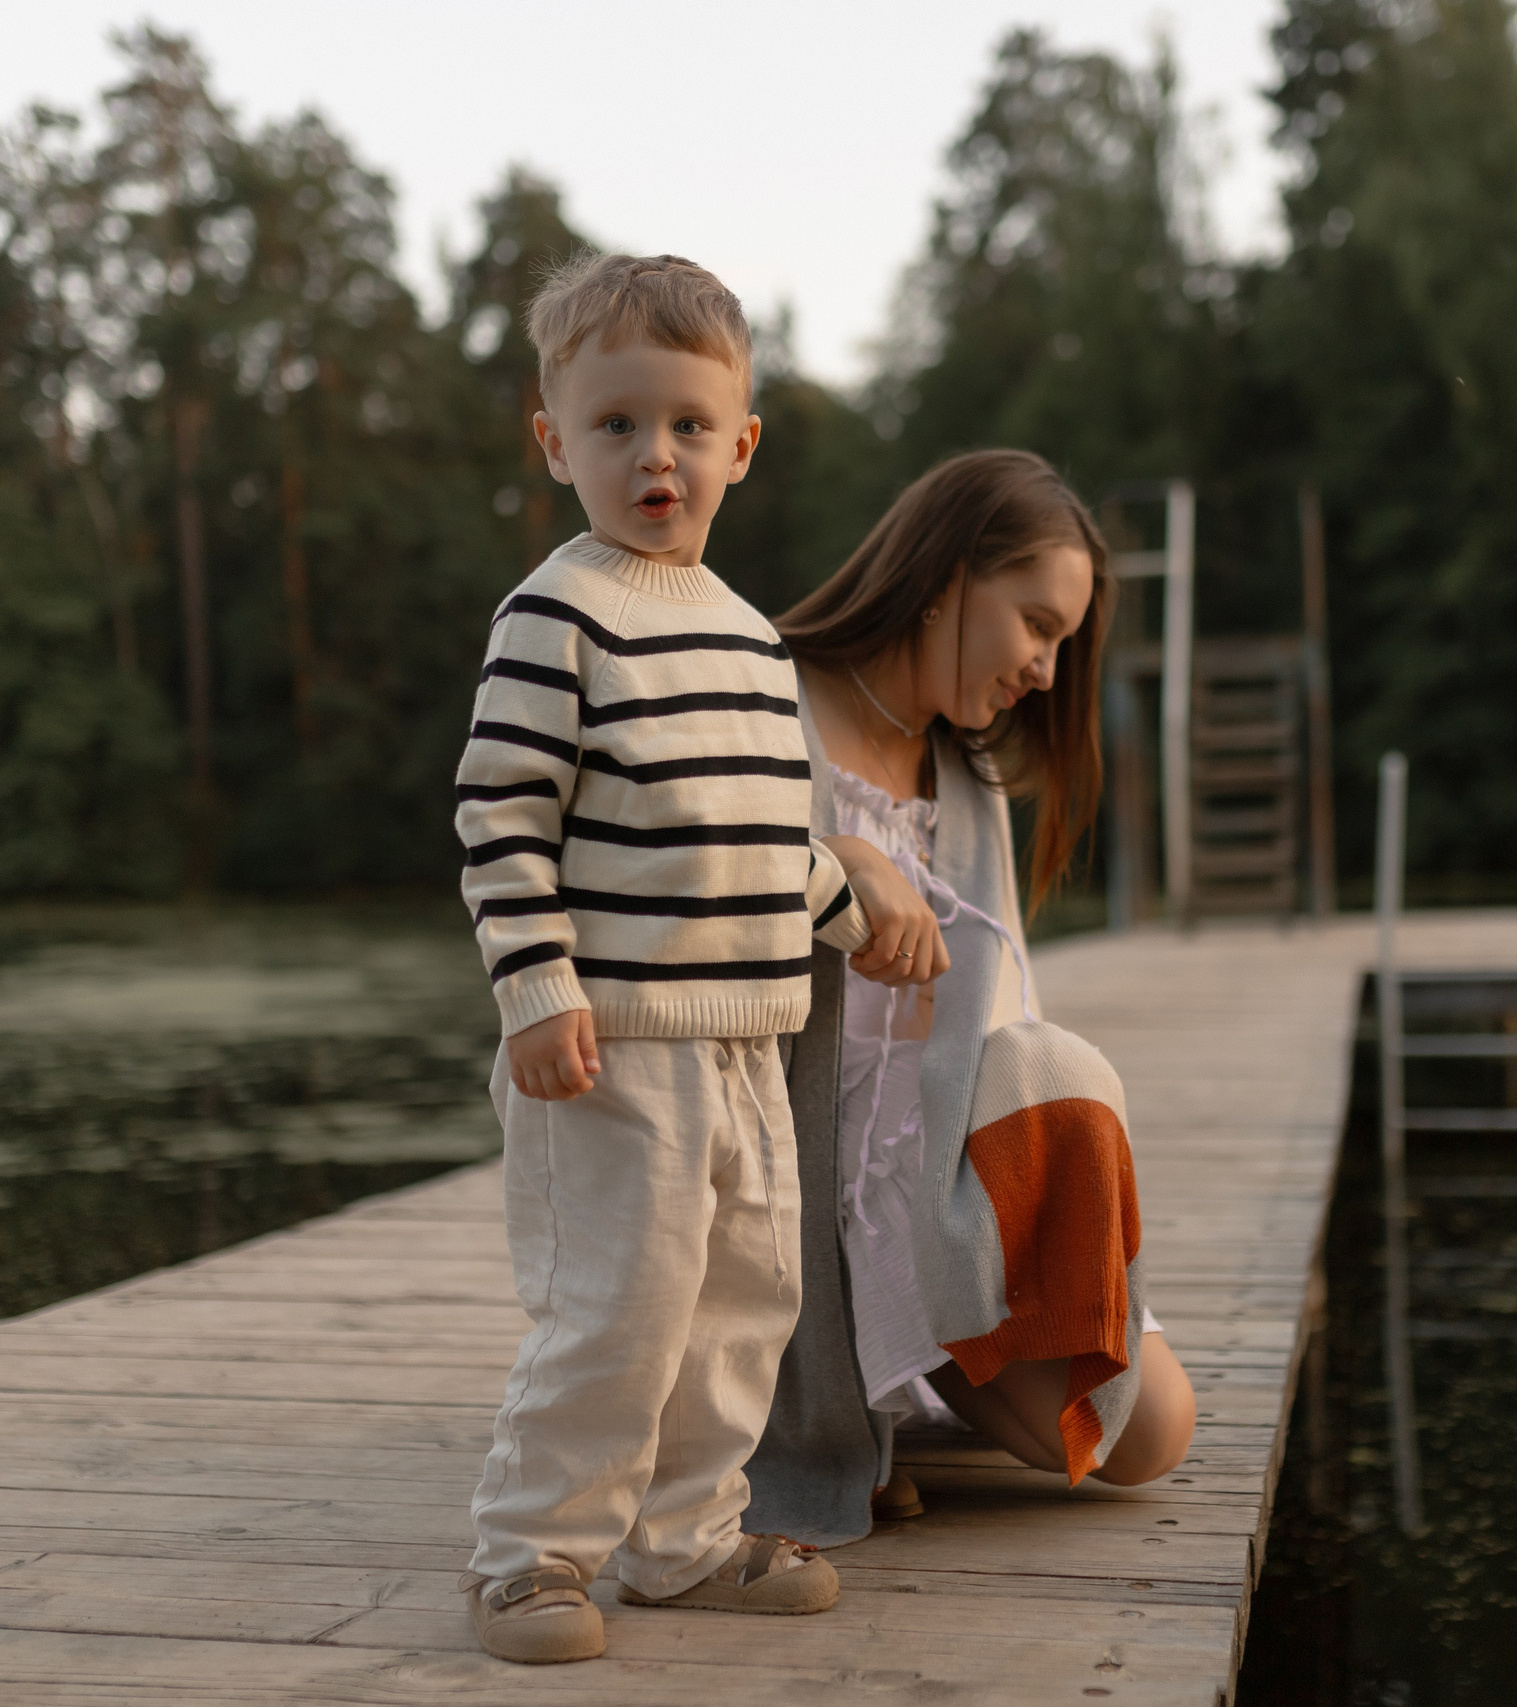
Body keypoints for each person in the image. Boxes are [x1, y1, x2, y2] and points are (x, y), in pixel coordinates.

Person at [450, 253, 928, 1664]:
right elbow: (502, 816)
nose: (653, 454)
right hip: (613, 1039)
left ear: (740, 445)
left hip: (750, 1036)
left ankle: (686, 1538)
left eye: (685, 425)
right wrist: (535, 987)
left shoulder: (745, 634)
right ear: (556, 443)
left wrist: (858, 905)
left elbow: (758, 835)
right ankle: (532, 1548)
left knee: (741, 1299)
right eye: (614, 425)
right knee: (617, 1303)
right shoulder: (557, 613)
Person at [744, 450, 1199, 1546]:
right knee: (1130, 1426)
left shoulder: (967, 778)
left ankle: (908, 1368)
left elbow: (1003, 1015)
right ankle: (839, 1386)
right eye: (1036, 625)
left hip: (936, 1179)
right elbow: (670, 889)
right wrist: (836, 856)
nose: (1044, 670)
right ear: (948, 576)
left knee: (1152, 1431)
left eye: (1061, 643)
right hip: (787, 1175)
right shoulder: (762, 692)